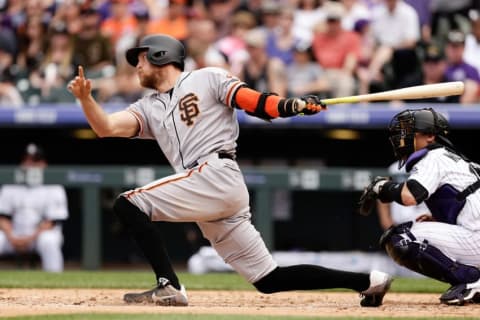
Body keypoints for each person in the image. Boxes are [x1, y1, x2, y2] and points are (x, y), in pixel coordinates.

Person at [68, 33, 392, 307]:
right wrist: (86, 100)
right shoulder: (148, 106)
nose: (136, 66)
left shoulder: (206, 77)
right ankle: (368, 281)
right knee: (268, 278)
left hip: (215, 172)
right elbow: (106, 126)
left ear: (160, 55)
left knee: (128, 203)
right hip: (210, 189)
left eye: (139, 58)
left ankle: (169, 285)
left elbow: (253, 101)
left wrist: (288, 105)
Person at [363, 108, 480, 305]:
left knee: (400, 237)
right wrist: (439, 220)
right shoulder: (454, 159)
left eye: (409, 132)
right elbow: (466, 202)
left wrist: (382, 187)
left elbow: (410, 196)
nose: (402, 138)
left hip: (476, 239)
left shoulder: (433, 157)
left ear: (430, 136)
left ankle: (471, 281)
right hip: (475, 235)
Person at [0, 143, 69, 272]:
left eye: (35, 160)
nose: (30, 164)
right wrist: (12, 237)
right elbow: (3, 217)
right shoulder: (10, 184)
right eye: (27, 160)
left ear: (44, 164)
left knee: (48, 240)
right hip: (13, 236)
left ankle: (55, 282)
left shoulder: (54, 186)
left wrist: (29, 239)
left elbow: (52, 222)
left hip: (39, 236)